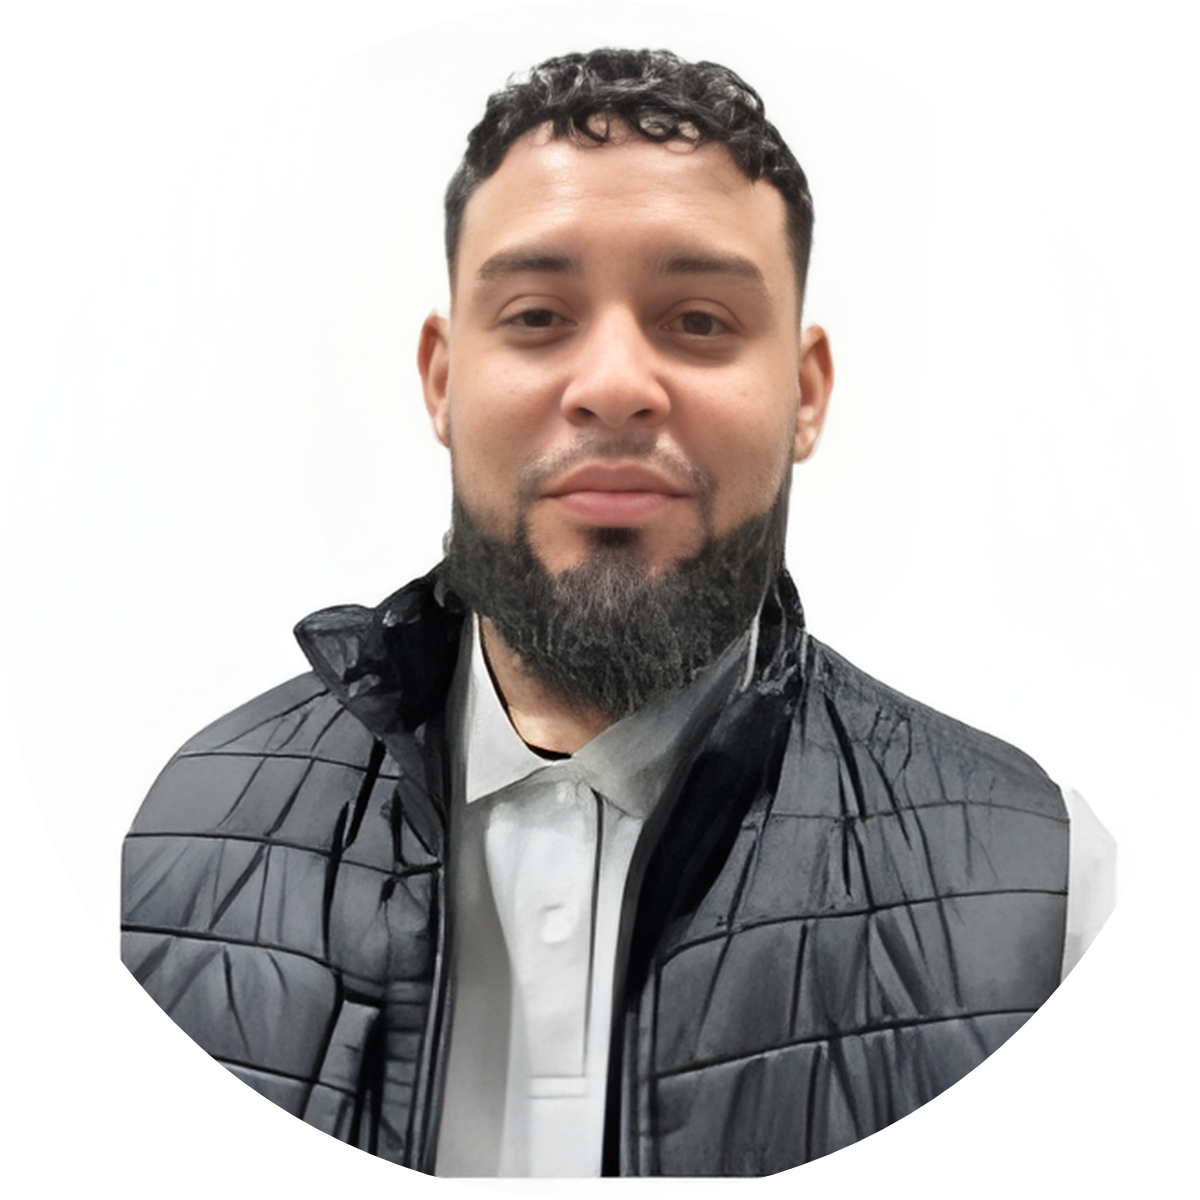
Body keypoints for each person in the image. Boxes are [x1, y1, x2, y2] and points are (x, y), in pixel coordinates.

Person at [121, 48, 1115, 1182]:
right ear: (442, 380)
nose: (614, 386)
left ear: (805, 394)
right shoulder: (183, 846)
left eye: (699, 320)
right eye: (538, 314)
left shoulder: (1048, 891)